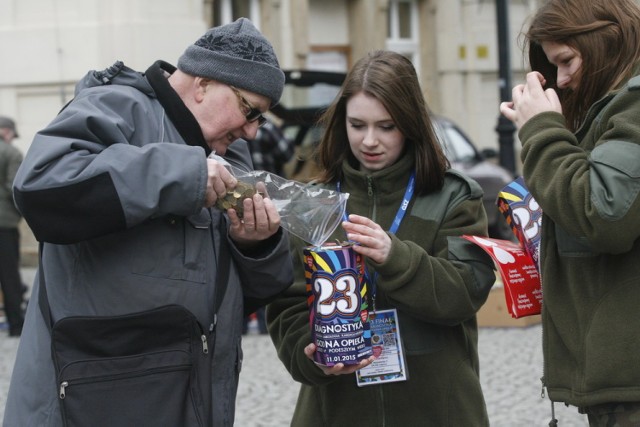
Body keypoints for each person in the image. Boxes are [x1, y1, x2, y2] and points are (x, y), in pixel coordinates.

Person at [4, 18, 293, 427]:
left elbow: (238, 300)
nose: (250, 132)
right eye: (249, 110)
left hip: (191, 401)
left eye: (259, 119)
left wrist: (256, 246)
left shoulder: (231, 161)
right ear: (203, 84)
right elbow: (39, 189)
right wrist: (181, 174)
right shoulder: (115, 106)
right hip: (92, 402)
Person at [267, 50, 496, 426]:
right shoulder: (312, 202)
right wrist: (309, 354)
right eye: (357, 125)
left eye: (386, 126)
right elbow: (288, 305)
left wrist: (396, 258)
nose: (369, 140)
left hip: (437, 409)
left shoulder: (453, 196)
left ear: (410, 124)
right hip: (337, 409)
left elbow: (466, 292)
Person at [499, 0, 640, 425]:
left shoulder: (632, 106)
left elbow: (604, 215)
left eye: (567, 60)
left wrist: (541, 131)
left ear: (606, 39)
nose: (562, 79)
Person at [243, 116, 294, 335]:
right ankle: (267, 326)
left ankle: (243, 325)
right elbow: (288, 152)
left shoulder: (231, 126)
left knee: (247, 264)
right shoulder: (266, 127)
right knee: (270, 263)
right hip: (273, 204)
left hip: (240, 206)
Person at [0, 116, 26, 337]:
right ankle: (16, 324)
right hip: (4, 223)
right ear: (6, 131)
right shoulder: (11, 153)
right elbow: (14, 187)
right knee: (9, 274)